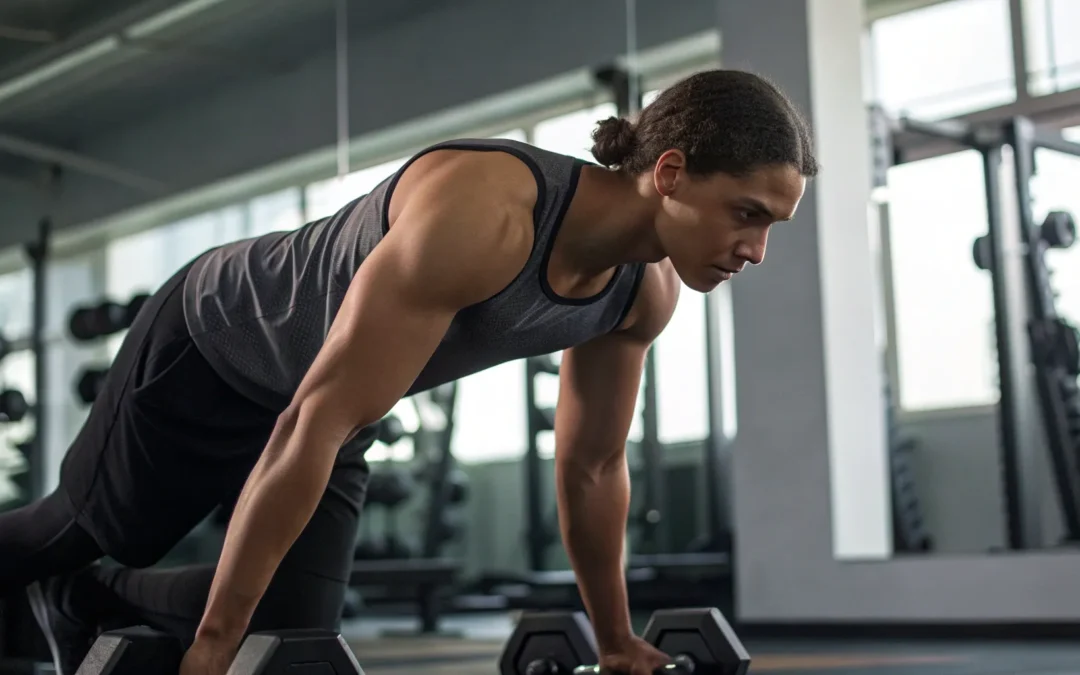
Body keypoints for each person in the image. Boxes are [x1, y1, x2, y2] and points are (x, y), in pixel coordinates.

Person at [0, 68, 816, 675]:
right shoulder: (486, 214)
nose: (756, 250)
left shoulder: (641, 294)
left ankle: (85, 597)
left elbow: (593, 467)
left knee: (291, 629)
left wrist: (614, 641)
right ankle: (79, 575)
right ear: (669, 173)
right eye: (746, 214)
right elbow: (311, 418)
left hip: (331, 411)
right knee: (80, 532)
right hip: (214, 348)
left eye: (773, 225)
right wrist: (210, 652)